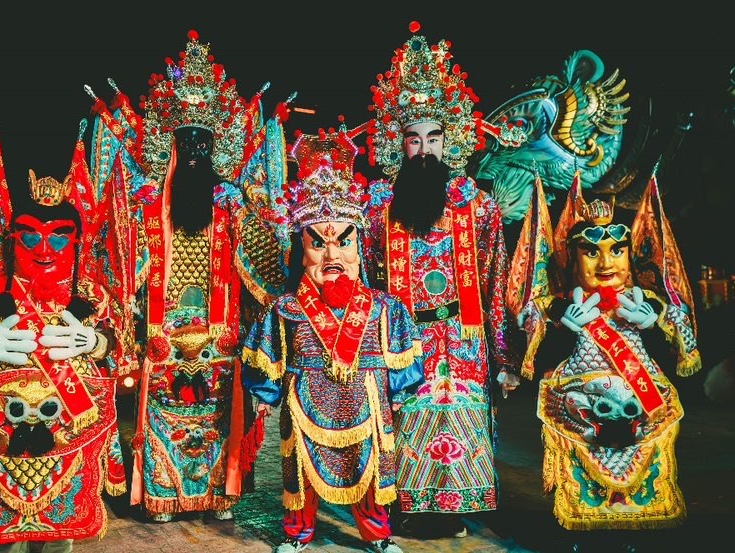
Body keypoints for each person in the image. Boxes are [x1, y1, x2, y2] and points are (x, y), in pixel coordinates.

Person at [0, 112, 131, 553]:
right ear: (11, 239)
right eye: (30, 237)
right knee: (7, 533)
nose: (44, 249)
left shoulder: (92, 294)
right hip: (1, 427)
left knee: (62, 528)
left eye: (58, 238)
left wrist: (96, 342)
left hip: (70, 423)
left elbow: (125, 347)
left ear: (75, 242)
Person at [364, 23, 523, 537]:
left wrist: (505, 357)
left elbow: (496, 281)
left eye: (434, 137)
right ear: (399, 143)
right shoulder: (377, 209)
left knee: (460, 419)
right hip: (403, 338)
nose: (425, 149)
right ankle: (407, 506)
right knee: (405, 418)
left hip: (463, 338)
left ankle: (455, 508)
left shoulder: (477, 206)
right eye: (414, 139)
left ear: (448, 140)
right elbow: (366, 279)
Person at [129, 29, 286, 522]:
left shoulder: (230, 206)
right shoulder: (150, 209)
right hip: (164, 337)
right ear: (170, 147)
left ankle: (220, 493)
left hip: (221, 337)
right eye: (185, 142)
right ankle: (163, 494)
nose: (195, 152)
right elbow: (127, 268)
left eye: (203, 142)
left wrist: (248, 216)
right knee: (166, 413)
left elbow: (267, 272)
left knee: (218, 417)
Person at [242, 129, 424, 553]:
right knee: (299, 471)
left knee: (370, 468)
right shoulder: (285, 309)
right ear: (301, 249)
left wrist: (398, 394)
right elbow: (266, 360)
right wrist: (266, 397)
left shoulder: (385, 308)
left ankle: (377, 535)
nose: (332, 257)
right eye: (318, 244)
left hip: (366, 400)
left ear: (360, 247)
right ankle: (298, 534)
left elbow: (405, 365)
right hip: (305, 400)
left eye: (344, 242)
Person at [514, 176, 702, 551]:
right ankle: (588, 535)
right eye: (591, 252)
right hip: (582, 409)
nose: (606, 263)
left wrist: (653, 326)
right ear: (573, 256)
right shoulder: (556, 306)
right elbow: (535, 361)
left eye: (617, 250)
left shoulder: (648, 302)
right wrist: (565, 329)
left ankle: (637, 535)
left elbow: (682, 357)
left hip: (641, 406)